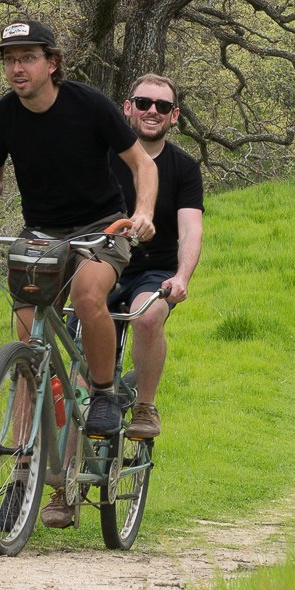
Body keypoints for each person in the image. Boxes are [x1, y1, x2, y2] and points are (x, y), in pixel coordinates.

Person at [0, 20, 159, 527]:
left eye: (27, 57)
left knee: (91, 295)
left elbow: (143, 165)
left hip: (102, 226)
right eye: (8, 59)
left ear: (52, 63)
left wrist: (142, 213)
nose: (16, 67)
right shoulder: (1, 117)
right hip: (43, 232)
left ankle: (101, 394)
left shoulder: (89, 106)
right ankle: (24, 472)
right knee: (26, 342)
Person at [108, 73, 205, 441]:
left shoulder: (184, 168)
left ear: (174, 115)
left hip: (153, 271)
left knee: (147, 316)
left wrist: (181, 277)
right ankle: (63, 490)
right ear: (127, 108)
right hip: (102, 267)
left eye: (162, 106)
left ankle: (145, 406)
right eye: (144, 103)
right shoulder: (104, 158)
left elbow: (191, 228)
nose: (152, 111)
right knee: (80, 389)